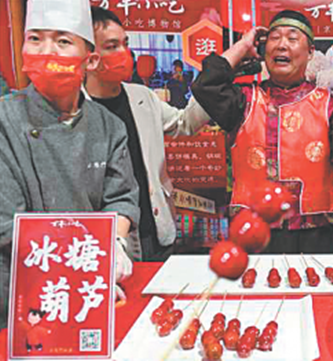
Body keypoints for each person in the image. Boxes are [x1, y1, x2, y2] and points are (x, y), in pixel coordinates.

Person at [0, 0, 139, 328]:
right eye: (35, 39)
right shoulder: (4, 121)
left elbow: (121, 199)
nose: (46, 50)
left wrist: (116, 244)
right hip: (18, 297)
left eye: (62, 41)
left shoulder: (108, 126)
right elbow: (8, 224)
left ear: (90, 60)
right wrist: (89, 260)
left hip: (91, 291)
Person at [192, 10, 333, 253]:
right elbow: (206, 85)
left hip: (315, 233)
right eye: (274, 38)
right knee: (253, 291)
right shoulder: (242, 100)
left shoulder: (329, 105)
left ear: (310, 53)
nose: (282, 45)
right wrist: (243, 45)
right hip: (253, 230)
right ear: (265, 52)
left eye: (292, 38)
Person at [85, 6, 211, 260]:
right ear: (88, 56)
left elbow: (184, 123)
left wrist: (214, 86)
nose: (125, 54)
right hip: (105, 243)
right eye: (111, 46)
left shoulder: (141, 97)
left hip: (156, 230)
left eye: (125, 43)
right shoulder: (76, 110)